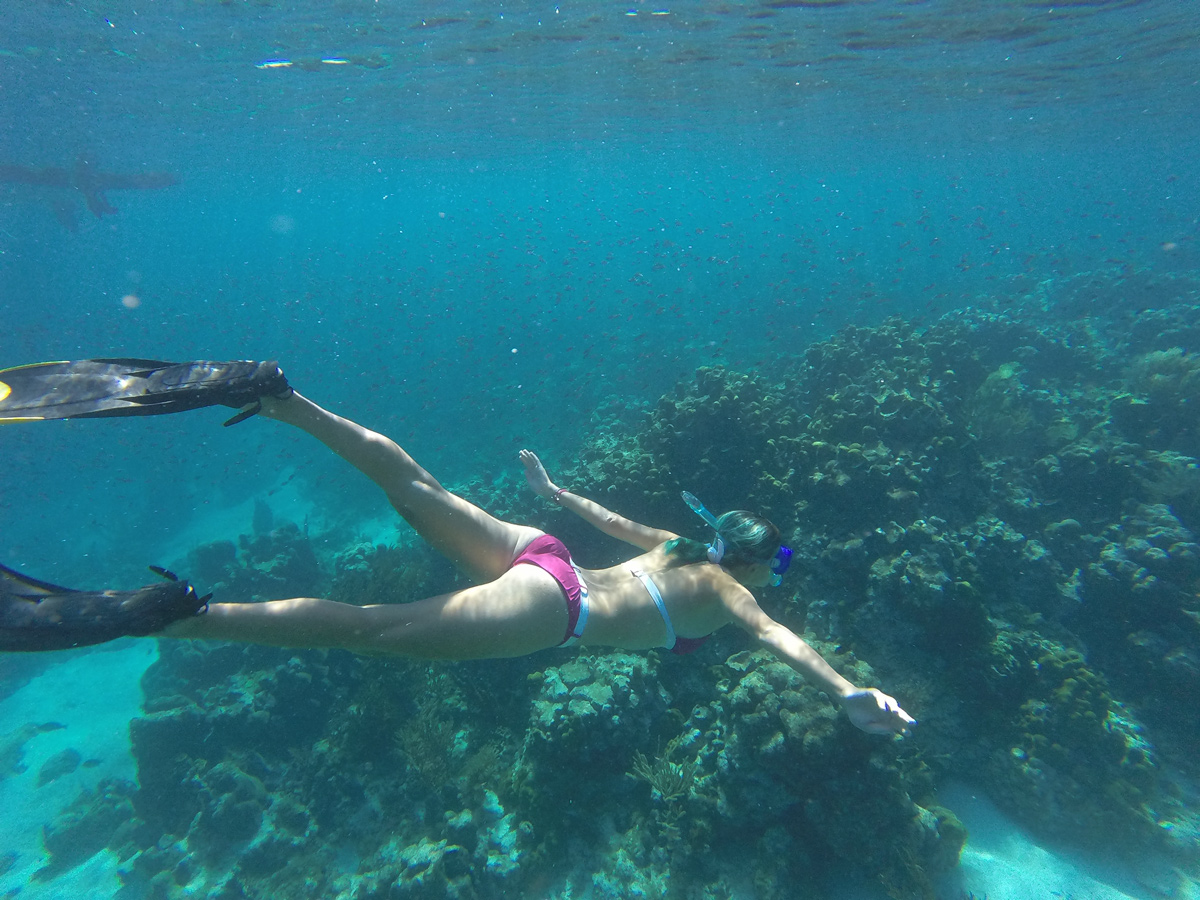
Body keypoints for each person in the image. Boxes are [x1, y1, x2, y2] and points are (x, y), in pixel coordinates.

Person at [0, 358, 914, 737]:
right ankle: (176, 616)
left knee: (418, 485)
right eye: (780, 566)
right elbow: (782, 642)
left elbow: (605, 518)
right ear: (755, 561)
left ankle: (280, 397)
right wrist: (846, 691)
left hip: (543, 553)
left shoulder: (683, 545)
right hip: (556, 610)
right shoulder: (730, 593)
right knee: (368, 629)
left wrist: (550, 495)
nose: (774, 582)